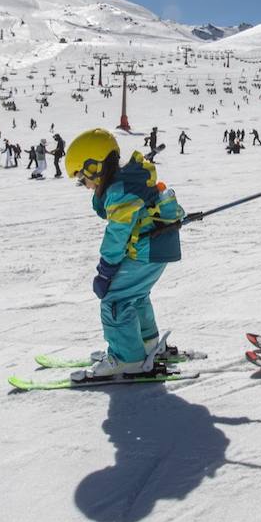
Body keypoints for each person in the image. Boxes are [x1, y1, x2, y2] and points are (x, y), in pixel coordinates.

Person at [64, 129, 183, 380]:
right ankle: (147, 345)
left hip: (148, 249)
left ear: (94, 167)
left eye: (82, 178)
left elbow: (117, 234)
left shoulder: (120, 192)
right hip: (155, 247)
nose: (85, 186)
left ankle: (128, 359)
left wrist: (105, 271)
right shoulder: (125, 185)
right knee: (135, 295)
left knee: (115, 299)